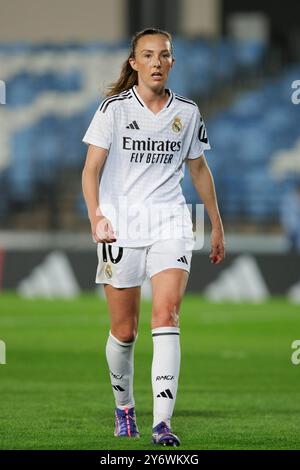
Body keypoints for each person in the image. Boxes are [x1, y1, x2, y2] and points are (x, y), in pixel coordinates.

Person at [82, 28, 225, 447]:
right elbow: (91, 170)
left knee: (168, 316)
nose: (157, 62)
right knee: (124, 331)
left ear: (172, 62)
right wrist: (96, 216)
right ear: (134, 63)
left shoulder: (188, 112)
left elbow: (198, 169)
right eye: (148, 55)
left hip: (171, 224)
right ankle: (124, 407)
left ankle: (162, 423)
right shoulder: (112, 110)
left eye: (164, 55)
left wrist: (216, 223)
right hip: (120, 227)